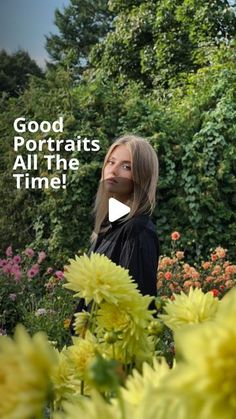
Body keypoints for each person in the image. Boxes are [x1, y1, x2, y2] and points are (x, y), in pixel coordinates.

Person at [70, 134, 159, 334]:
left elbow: (139, 302)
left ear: (141, 176)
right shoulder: (108, 225)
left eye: (126, 167)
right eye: (111, 162)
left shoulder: (138, 230)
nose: (113, 170)